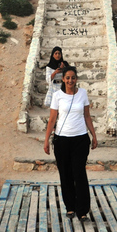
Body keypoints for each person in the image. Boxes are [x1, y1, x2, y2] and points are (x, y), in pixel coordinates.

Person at [43, 66, 98, 220]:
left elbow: (87, 116)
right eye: (67, 78)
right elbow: (52, 119)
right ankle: (70, 207)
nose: (70, 81)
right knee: (65, 174)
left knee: (79, 174)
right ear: (63, 79)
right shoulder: (57, 96)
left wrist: (94, 135)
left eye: (73, 78)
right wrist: (46, 140)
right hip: (62, 140)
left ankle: (82, 210)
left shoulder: (83, 94)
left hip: (80, 139)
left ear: (76, 79)